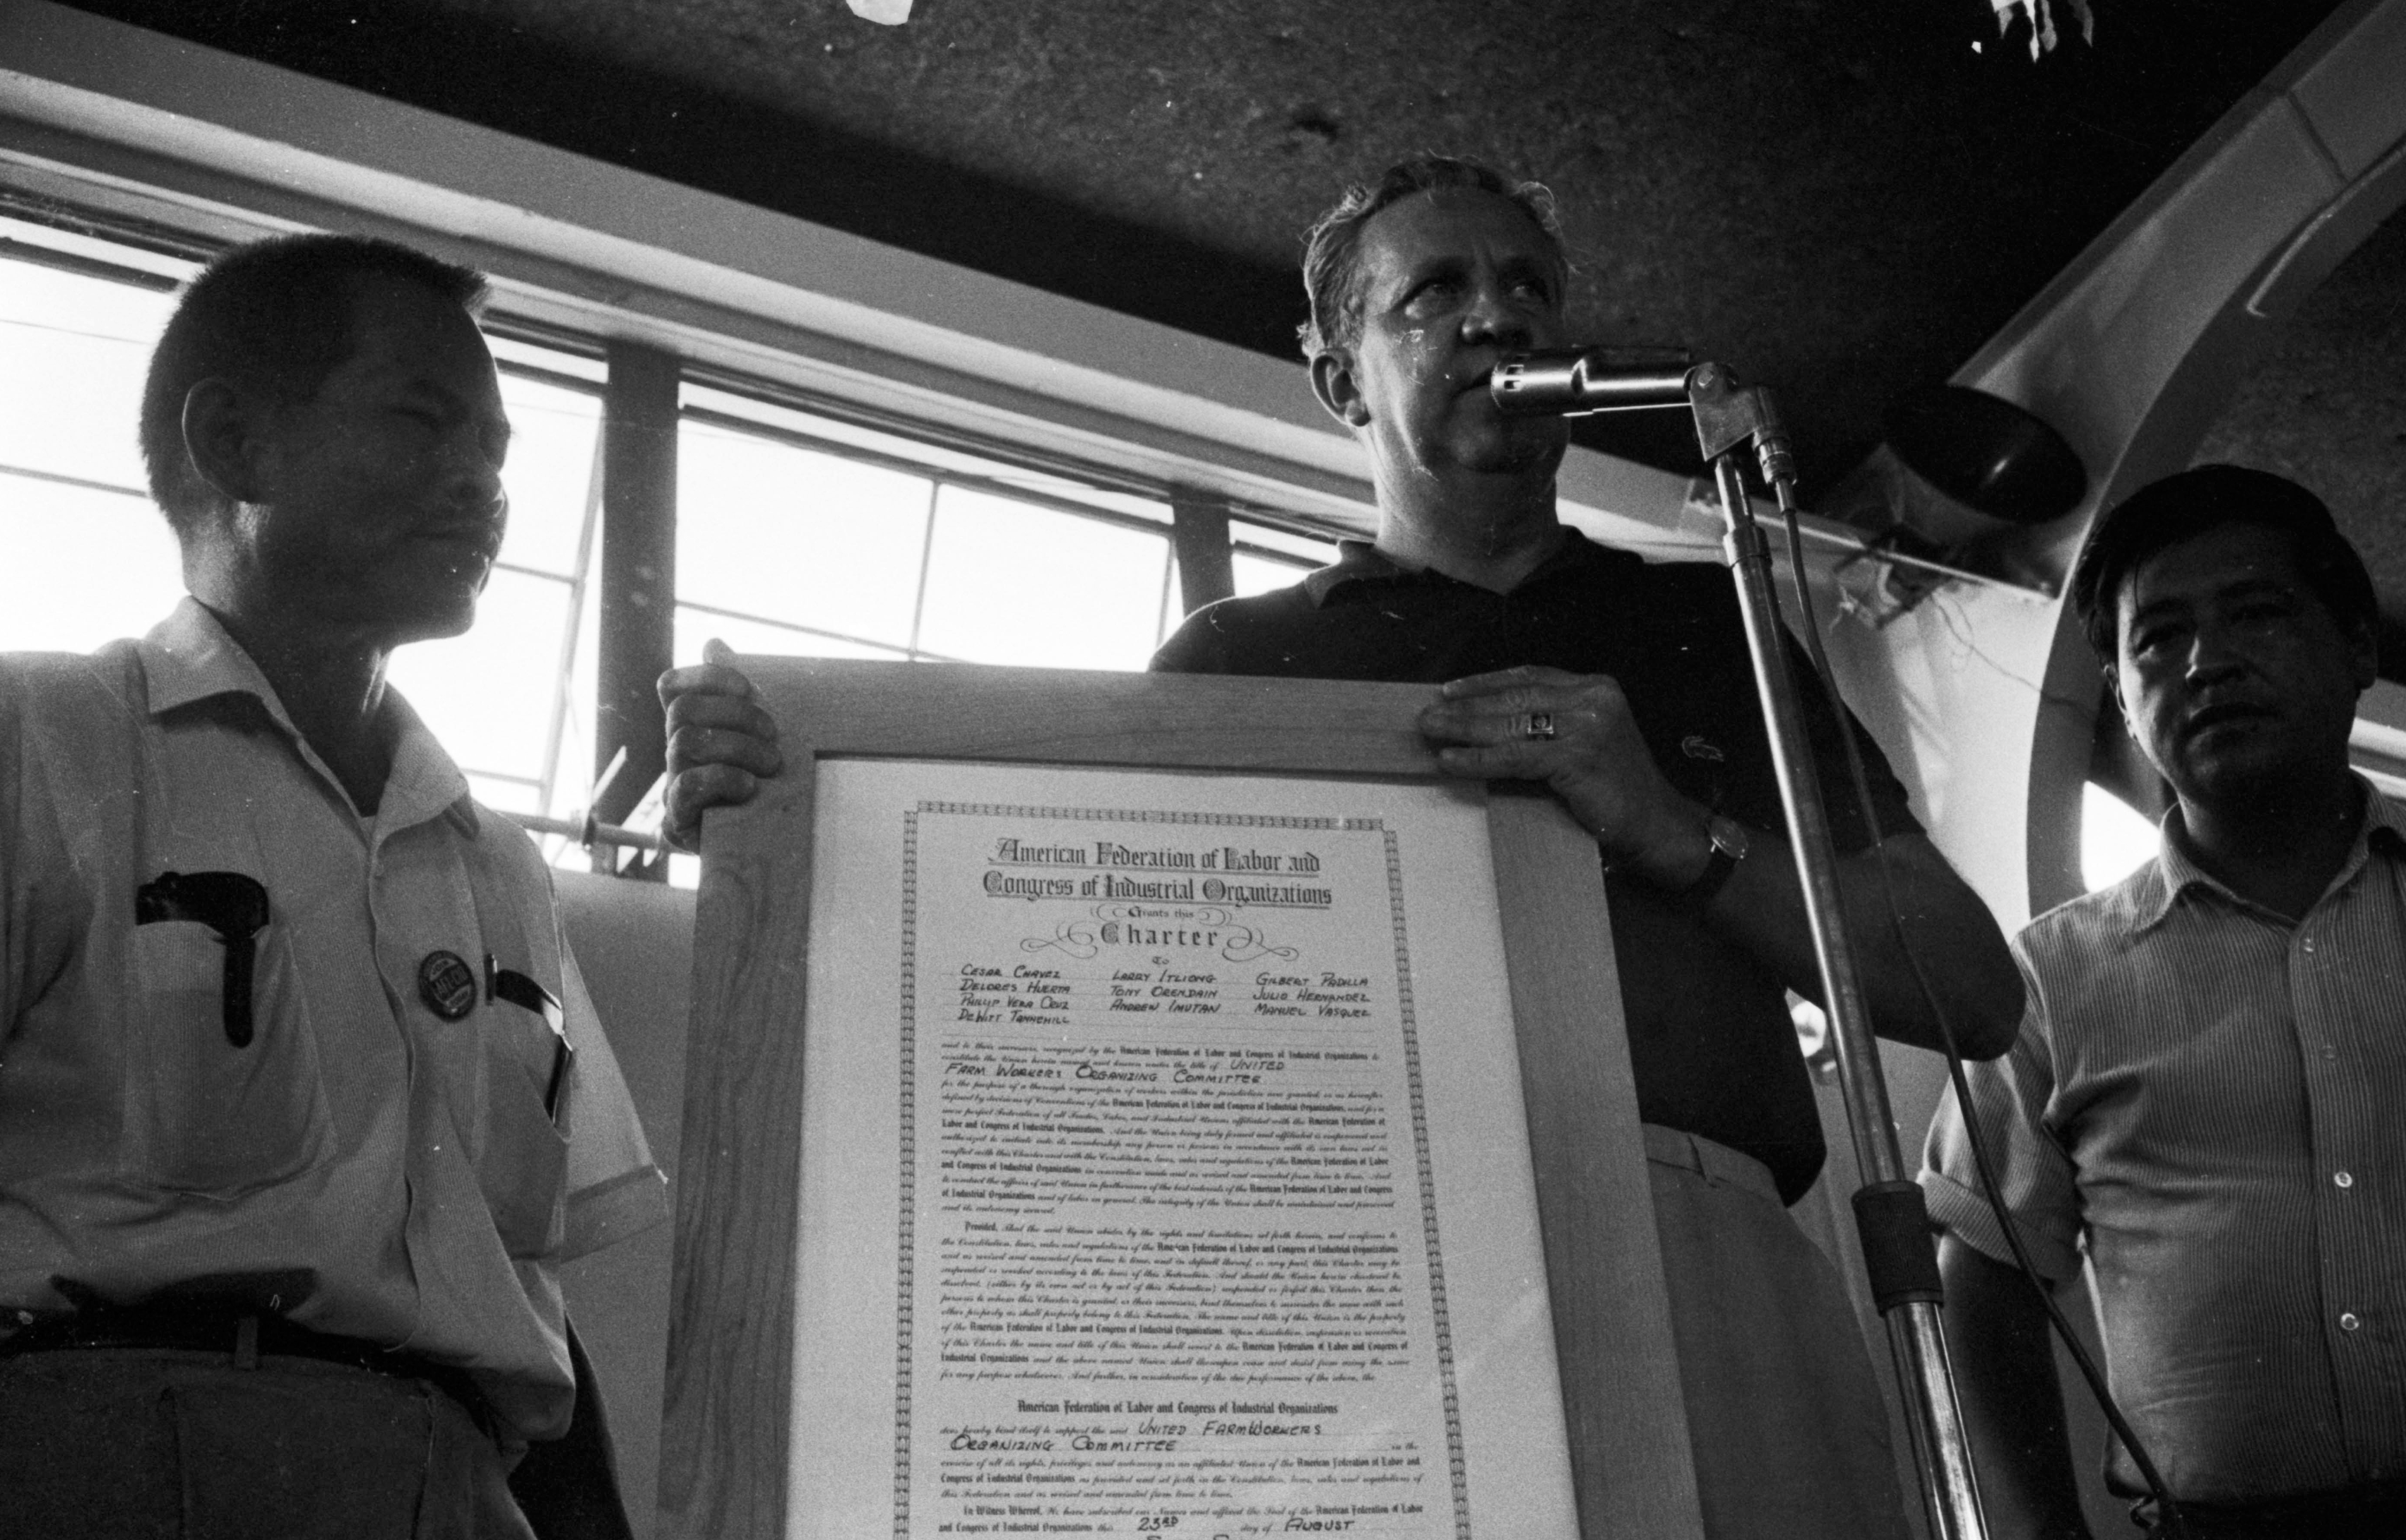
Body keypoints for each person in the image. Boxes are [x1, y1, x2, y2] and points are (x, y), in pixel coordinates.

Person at [660, 157, 2023, 1540]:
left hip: (1707, 1255)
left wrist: (1672, 826)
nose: (1500, 318)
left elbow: (1971, 989)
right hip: (1335, 1273)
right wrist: (791, 824)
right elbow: (1064, 987)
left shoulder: (1712, 617)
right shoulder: (1237, 659)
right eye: (1436, 291)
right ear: (1340, 379)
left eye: (1529, 288)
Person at [0, 235, 668, 1539]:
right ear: (236, 444)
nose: (484, 488)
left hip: (461, 1481)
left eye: (499, 451)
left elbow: (514, 1280)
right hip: (108, 1460)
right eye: (426, 422)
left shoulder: (496, 861)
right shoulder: (43, 738)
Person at [1921, 465, 2406, 1540]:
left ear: (2357, 649)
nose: (2208, 663)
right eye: (2160, 638)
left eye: (2258, 613)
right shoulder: (2052, 977)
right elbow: (1983, 1274)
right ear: (2123, 701)